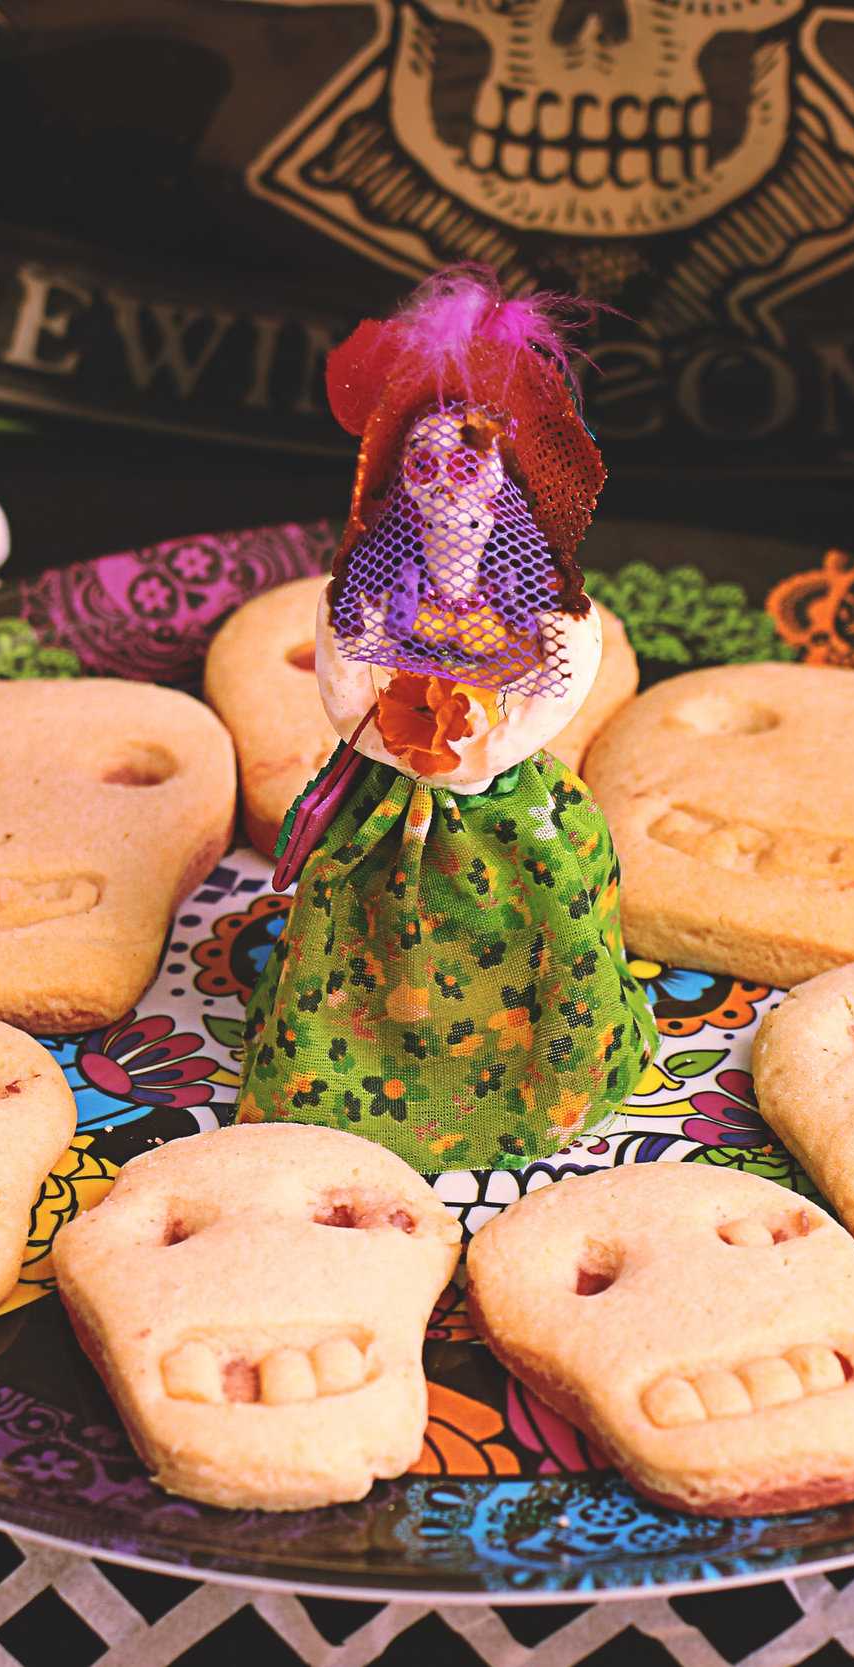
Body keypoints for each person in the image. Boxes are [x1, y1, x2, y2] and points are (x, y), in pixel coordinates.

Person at [238, 267, 656, 1173]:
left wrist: (484, 746)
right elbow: (345, 663)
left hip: (506, 805)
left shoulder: (545, 604)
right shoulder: (370, 591)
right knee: (354, 916)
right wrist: (389, 732)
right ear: (397, 476)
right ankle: (337, 1071)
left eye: (466, 464)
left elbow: (562, 670)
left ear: (505, 474)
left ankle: (544, 1078)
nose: (446, 490)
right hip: (392, 794)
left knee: (547, 909)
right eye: (422, 466)